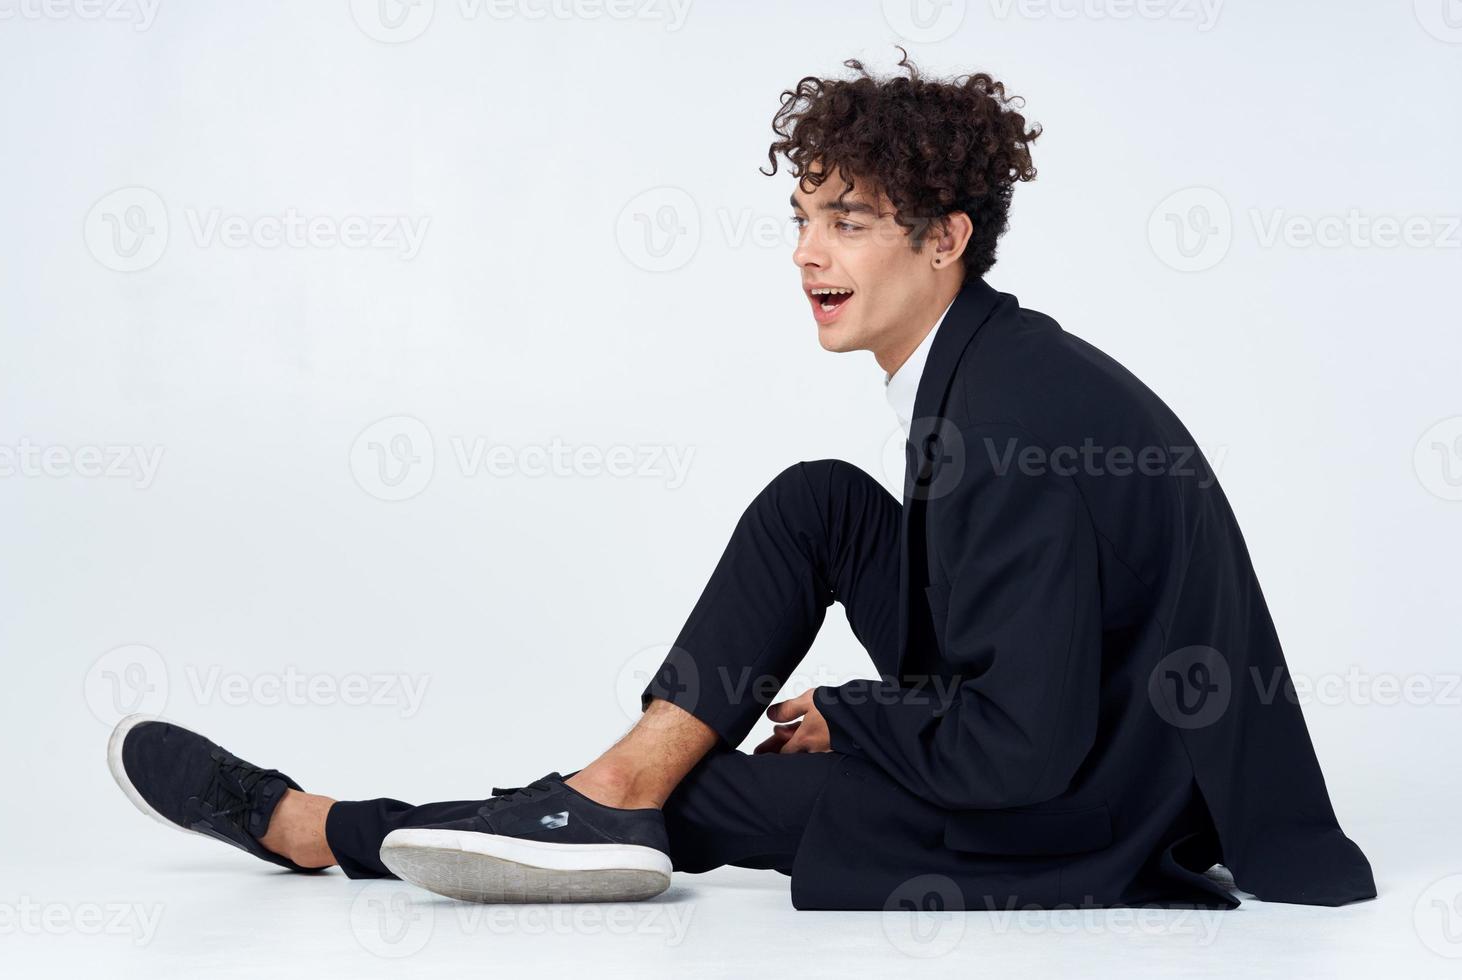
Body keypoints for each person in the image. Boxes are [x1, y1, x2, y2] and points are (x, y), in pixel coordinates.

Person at [106, 52, 1376, 912]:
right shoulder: (988, 370)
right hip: (1078, 714)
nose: (810, 254)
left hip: (1094, 807)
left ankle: (318, 824)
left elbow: (1026, 753)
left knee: (701, 789)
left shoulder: (1010, 425)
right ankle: (610, 794)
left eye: (852, 221)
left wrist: (860, 709)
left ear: (949, 241)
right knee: (816, 502)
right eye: (806, 215)